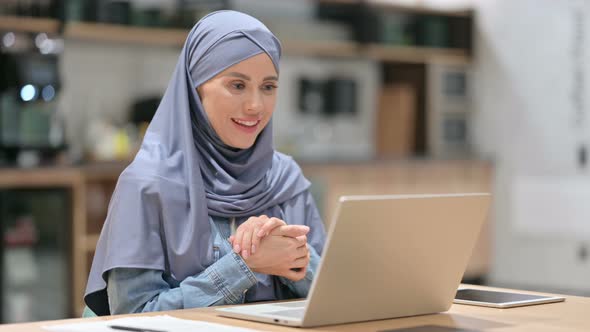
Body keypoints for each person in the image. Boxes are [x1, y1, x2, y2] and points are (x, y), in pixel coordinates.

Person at [83, 10, 326, 316]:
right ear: (195, 89)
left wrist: (296, 258)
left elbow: (335, 295)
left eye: (268, 87)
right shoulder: (147, 184)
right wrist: (245, 265)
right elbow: (133, 312)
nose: (255, 105)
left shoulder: (285, 179)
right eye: (237, 85)